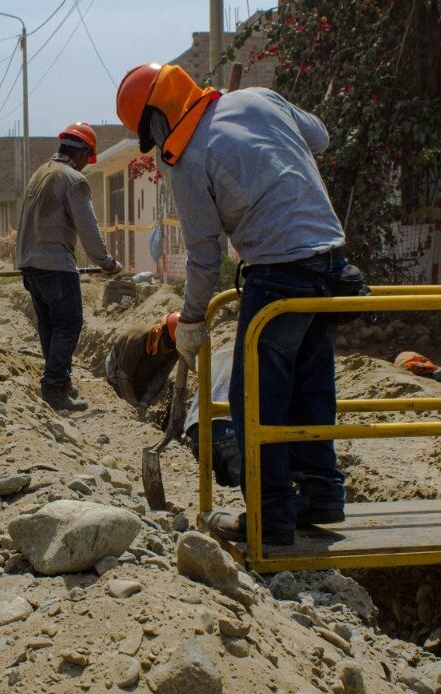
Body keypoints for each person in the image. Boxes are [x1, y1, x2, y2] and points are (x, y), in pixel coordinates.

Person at [116, 63, 349, 545]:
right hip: (332, 267)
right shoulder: (259, 99)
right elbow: (320, 137)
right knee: (310, 387)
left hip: (280, 274)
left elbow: (204, 257)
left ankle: (270, 519)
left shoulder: (186, 158)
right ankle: (322, 495)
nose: (156, 144)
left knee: (254, 399)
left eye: (149, 132)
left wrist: (194, 321)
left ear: (157, 116)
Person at [15, 121, 122, 412]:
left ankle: (58, 382)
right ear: (84, 153)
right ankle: (53, 388)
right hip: (56, 266)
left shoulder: (39, 174)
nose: (87, 165)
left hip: (30, 265)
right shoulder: (73, 179)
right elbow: (88, 229)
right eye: (88, 159)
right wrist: (107, 263)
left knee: (50, 326)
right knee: (69, 324)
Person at [183, 342, 242, 489]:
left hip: (198, 430)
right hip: (233, 431)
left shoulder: (219, 352)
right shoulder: (256, 347)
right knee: (243, 493)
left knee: (221, 489)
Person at [105, 312, 179, 418]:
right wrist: (133, 406)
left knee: (140, 397)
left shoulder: (174, 350)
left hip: (141, 375)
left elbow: (161, 376)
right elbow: (123, 375)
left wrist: (145, 401)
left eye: (171, 349)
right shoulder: (137, 340)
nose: (166, 352)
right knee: (120, 404)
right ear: (161, 334)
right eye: (166, 347)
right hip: (118, 373)